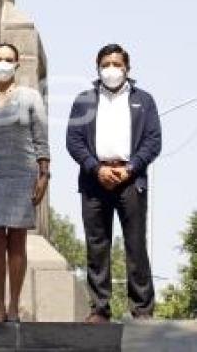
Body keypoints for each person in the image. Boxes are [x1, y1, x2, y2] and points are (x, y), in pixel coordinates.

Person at [67, 44, 161, 323]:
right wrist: (96, 169)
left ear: (127, 68)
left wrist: (131, 168)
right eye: (106, 64)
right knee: (97, 245)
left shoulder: (144, 101)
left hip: (130, 179)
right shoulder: (84, 100)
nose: (111, 69)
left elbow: (153, 141)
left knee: (135, 244)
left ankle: (142, 309)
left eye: (116, 64)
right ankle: (99, 308)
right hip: (94, 180)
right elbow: (74, 141)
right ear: (98, 68)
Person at [0, 43, 50, 322]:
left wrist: (44, 175)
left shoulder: (30, 97)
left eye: (8, 59)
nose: (3, 64)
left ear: (17, 64)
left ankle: (14, 304)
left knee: (17, 241)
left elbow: (41, 140)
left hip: (21, 174)